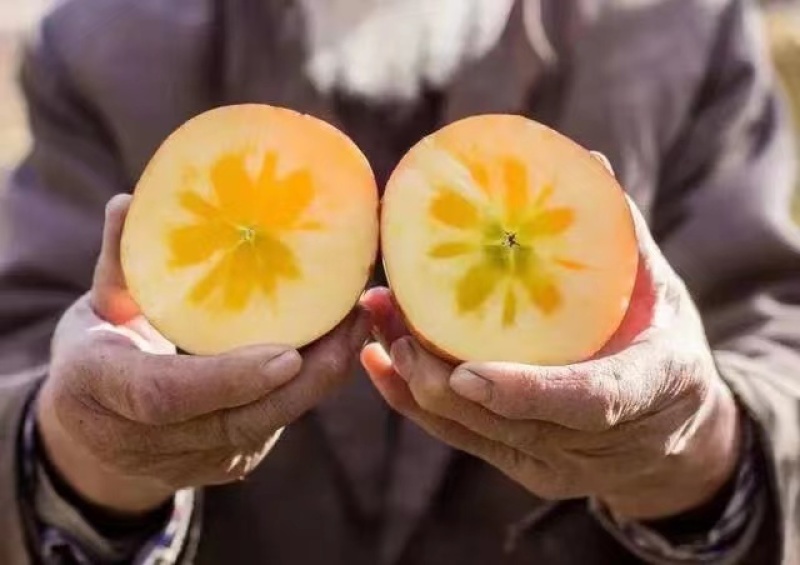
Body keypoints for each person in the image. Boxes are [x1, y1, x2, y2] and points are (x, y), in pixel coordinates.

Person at [0, 0, 798, 563]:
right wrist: (83, 448)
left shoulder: (680, 33)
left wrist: (696, 449)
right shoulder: (101, 44)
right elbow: (27, 365)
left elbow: (780, 350)